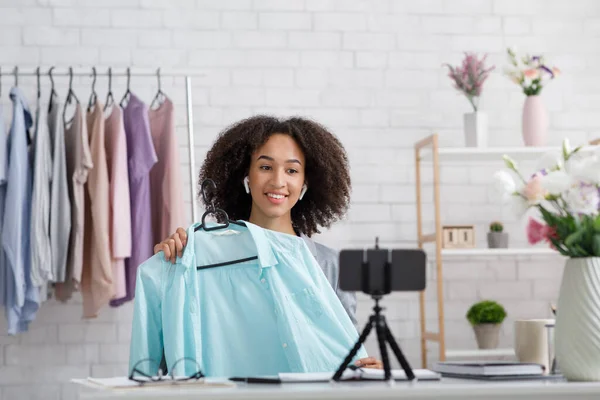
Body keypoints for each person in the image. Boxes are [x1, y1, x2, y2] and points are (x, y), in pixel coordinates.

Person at [154, 115, 382, 370]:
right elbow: (177, 344)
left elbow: (343, 348)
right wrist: (173, 267)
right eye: (265, 167)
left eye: (292, 170)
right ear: (246, 176)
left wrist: (364, 369)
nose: (278, 181)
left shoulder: (332, 265)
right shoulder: (209, 256)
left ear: (306, 182)